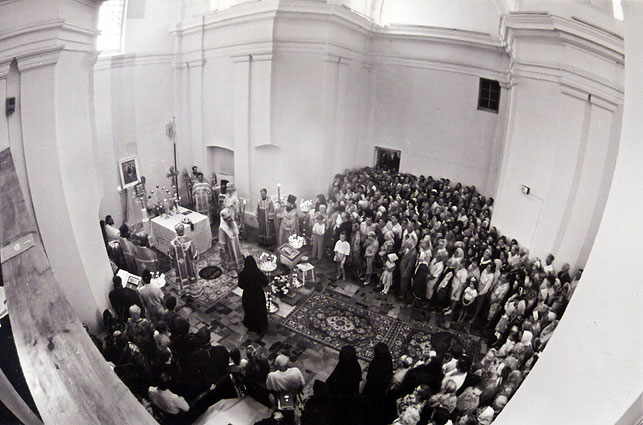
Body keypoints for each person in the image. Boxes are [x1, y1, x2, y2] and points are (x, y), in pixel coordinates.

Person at [168, 224, 202, 300]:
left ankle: (183, 291)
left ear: (176, 231)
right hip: (189, 265)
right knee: (191, 275)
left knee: (180, 277)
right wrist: (196, 259)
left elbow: (170, 256)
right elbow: (194, 254)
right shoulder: (189, 241)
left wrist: (172, 264)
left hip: (179, 267)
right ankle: (192, 292)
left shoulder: (173, 243)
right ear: (183, 230)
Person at [238, 256, 269, 333]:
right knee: (259, 310)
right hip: (258, 294)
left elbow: (240, 285)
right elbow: (265, 282)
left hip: (248, 295)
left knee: (249, 310)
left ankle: (251, 325)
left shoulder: (243, 274)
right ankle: (261, 326)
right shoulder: (258, 273)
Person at [218, 208, 244, 276]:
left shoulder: (233, 223)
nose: (229, 219)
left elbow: (236, 232)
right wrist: (222, 248)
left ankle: (239, 266)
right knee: (230, 256)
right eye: (227, 218)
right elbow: (221, 240)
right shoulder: (222, 228)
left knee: (237, 254)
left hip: (235, 244)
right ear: (224, 219)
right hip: (228, 246)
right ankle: (232, 269)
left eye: (230, 217)